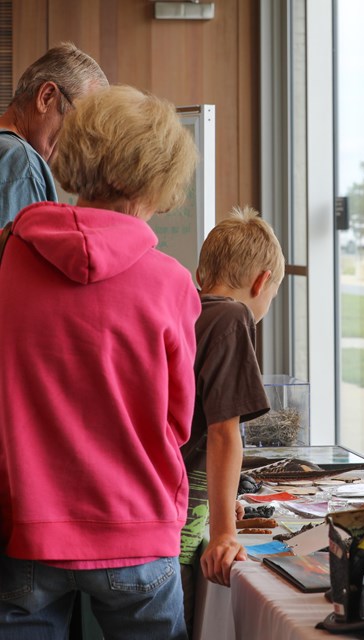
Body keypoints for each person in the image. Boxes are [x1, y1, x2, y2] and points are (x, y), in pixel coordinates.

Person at [0, 85, 200, 638]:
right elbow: (178, 421)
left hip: (29, 529)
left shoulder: (9, 256)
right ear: (159, 180)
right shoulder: (171, 285)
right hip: (136, 528)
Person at [179, 206, 285, 633]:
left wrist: (223, 503)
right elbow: (224, 433)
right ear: (262, 282)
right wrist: (223, 532)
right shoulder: (230, 317)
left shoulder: (187, 311)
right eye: (272, 296)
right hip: (176, 537)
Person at [0, 41, 108, 226]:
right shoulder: (20, 161)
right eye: (81, 123)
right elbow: (16, 255)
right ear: (46, 97)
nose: (81, 143)